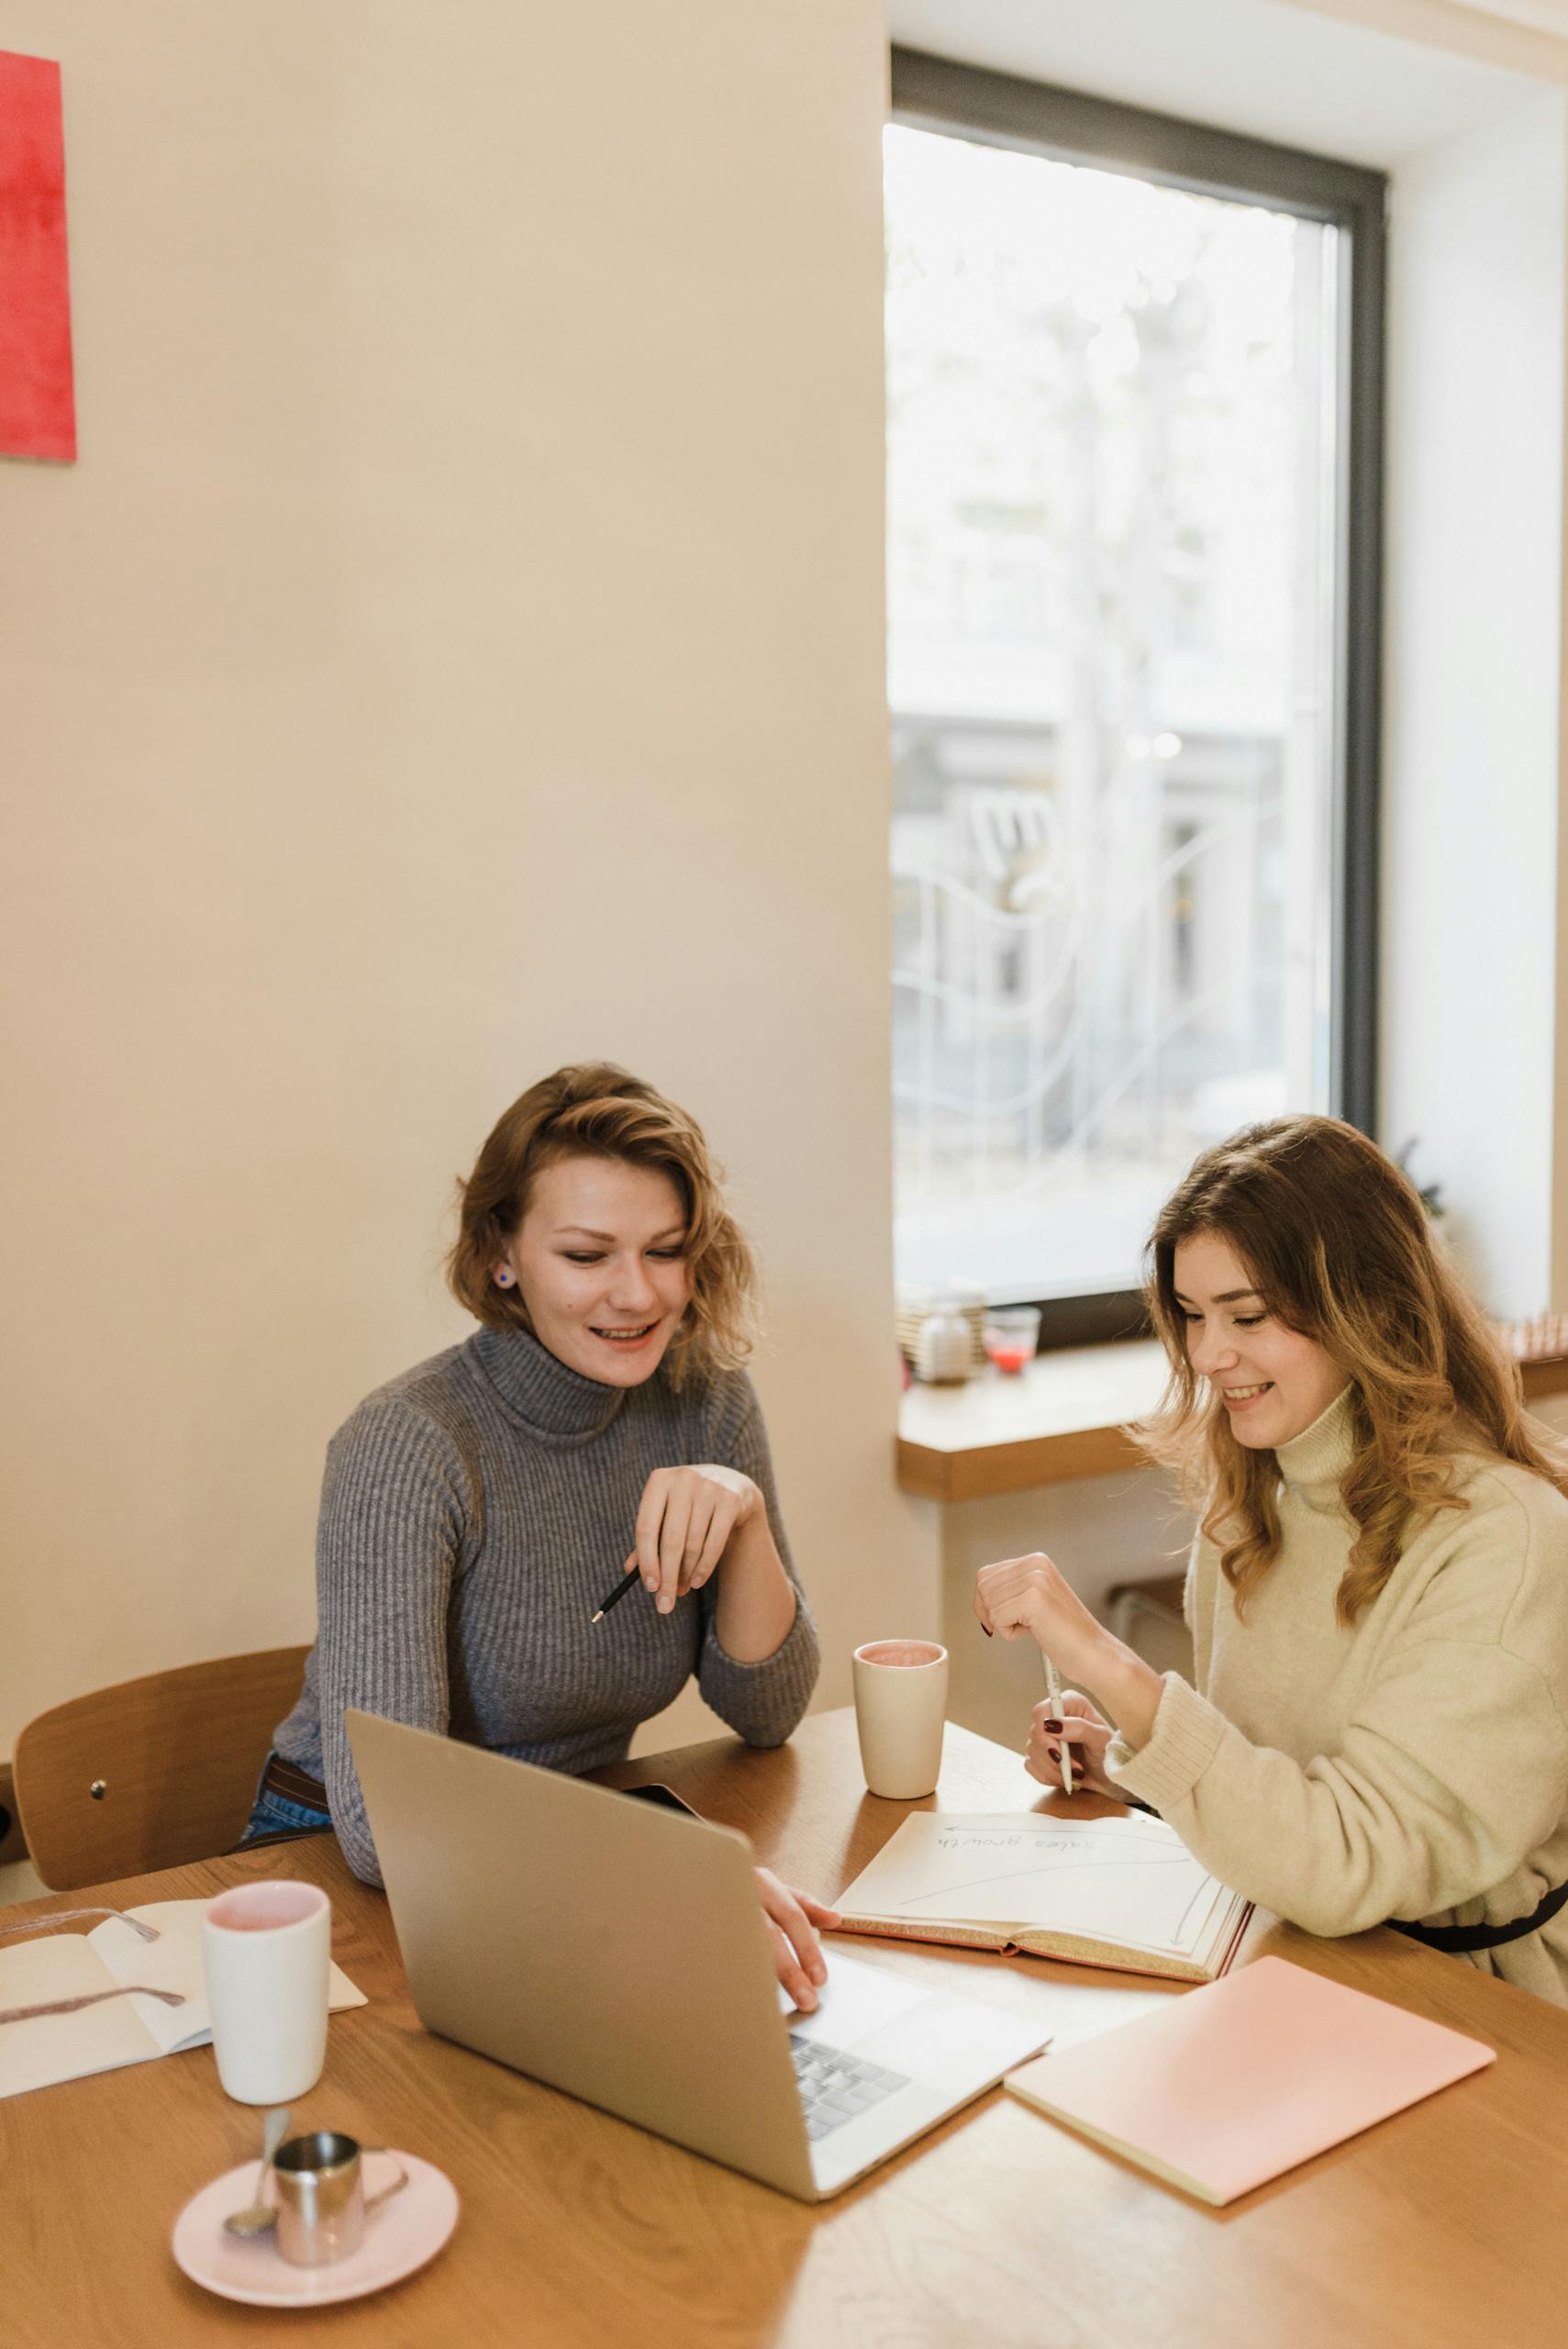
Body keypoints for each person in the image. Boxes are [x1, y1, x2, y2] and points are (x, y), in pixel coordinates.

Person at [249, 1063, 835, 2008]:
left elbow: (766, 1712)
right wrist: (662, 1867)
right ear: (501, 1256)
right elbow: (384, 1830)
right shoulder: (409, 1443)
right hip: (339, 1876)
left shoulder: (706, 1399)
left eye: (665, 1249)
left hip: (555, 1853)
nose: (636, 1294)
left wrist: (745, 1515)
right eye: (586, 1254)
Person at [973, 1115, 1568, 2006]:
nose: (1208, 1355)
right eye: (1190, 1314)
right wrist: (1139, 1775)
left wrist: (1111, 1667)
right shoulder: (1253, 1506)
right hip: (1289, 1952)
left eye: (1245, 1314)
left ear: (1364, 1305)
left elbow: (1344, 1859)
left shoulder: (1504, 1541)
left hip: (1473, 2004)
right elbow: (1274, 1795)